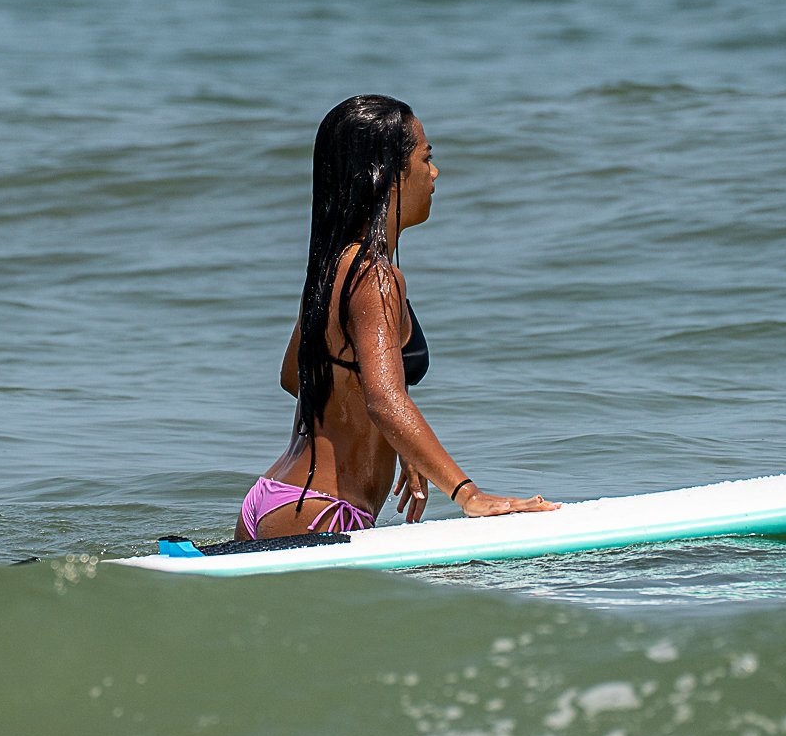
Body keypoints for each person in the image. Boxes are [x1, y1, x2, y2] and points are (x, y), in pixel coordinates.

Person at [236, 95, 559, 543]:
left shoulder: (332, 267)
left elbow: (295, 376)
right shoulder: (375, 277)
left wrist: (402, 442)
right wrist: (468, 495)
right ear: (386, 175)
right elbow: (384, 400)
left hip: (275, 496)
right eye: (426, 158)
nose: (434, 173)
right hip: (324, 511)